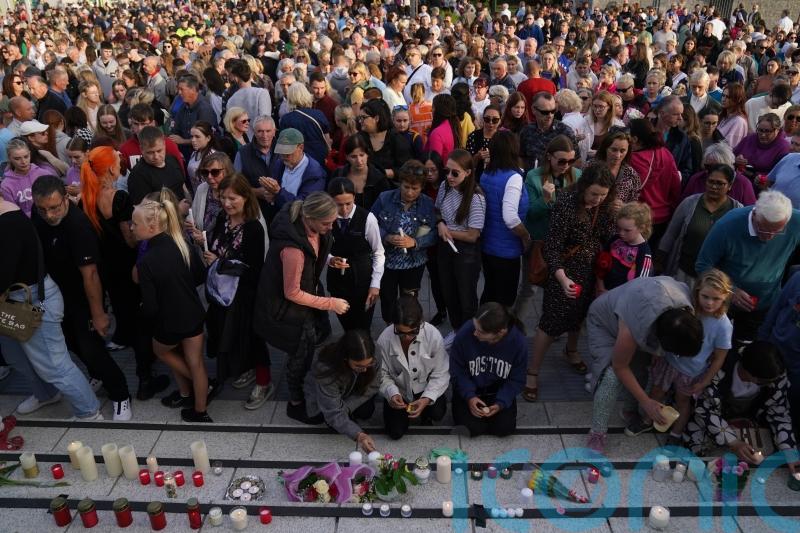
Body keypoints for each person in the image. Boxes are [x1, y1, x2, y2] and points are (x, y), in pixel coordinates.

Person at [31, 175, 133, 420]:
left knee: (92, 348)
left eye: (55, 208)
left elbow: (91, 275)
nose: (50, 215)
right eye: (43, 209)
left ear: (66, 199)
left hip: (82, 297)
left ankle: (120, 394)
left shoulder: (78, 226)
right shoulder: (39, 215)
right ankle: (96, 374)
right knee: (71, 344)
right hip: (57, 295)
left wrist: (98, 314)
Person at [0, 195, 102, 421]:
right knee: (17, 357)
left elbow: (4, 273)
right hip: (10, 301)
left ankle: (88, 413)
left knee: (53, 364)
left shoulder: (8, 222)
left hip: (32, 300)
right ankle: (46, 394)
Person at [80, 145, 170, 400]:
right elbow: (130, 238)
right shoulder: (117, 197)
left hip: (105, 270)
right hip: (129, 266)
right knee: (142, 321)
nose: (121, 165)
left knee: (125, 316)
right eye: (118, 162)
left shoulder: (83, 198)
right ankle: (145, 378)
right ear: (110, 168)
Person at [253, 192, 349, 424]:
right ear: (310, 217)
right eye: (327, 223)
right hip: (289, 310)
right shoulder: (292, 250)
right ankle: (296, 402)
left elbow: (312, 254)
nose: (331, 227)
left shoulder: (306, 227)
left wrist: (328, 260)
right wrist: (331, 304)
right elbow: (292, 293)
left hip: (304, 299)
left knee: (310, 345)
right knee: (299, 354)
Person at [524, 163, 616, 402]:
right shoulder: (566, 203)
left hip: (590, 271)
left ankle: (572, 350)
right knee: (551, 322)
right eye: (594, 193)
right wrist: (562, 278)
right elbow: (552, 248)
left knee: (579, 316)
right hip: (563, 273)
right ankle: (532, 371)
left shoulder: (605, 206)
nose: (598, 199)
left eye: (603, 195)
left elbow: (605, 236)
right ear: (584, 186)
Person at [586, 276, 704, 453]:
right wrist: (647, 402)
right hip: (605, 323)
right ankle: (597, 432)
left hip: (641, 314)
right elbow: (620, 367)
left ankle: (629, 411)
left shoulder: (686, 307)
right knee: (611, 377)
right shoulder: (634, 324)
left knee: (640, 369)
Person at [132, 189, 212, 423]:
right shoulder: (181, 244)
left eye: (135, 224)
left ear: (152, 227)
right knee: (197, 364)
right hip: (194, 313)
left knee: (161, 351)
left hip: (170, 322)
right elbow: (199, 275)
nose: (132, 228)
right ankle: (200, 410)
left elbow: (151, 306)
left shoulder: (147, 261)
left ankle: (198, 389)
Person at [627, 269, 733, 446]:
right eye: (705, 296)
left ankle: (676, 434)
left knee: (682, 402)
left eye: (716, 299)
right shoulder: (689, 308)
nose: (709, 303)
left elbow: (719, 358)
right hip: (669, 362)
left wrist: (705, 381)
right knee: (656, 392)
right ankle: (647, 420)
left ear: (725, 298)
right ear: (698, 290)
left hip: (691, 372)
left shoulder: (723, 326)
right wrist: (658, 353)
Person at [201, 174, 271, 409]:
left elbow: (254, 269)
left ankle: (264, 381)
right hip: (222, 295)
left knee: (253, 338)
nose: (227, 203)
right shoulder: (223, 218)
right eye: (223, 198)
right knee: (228, 336)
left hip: (245, 296)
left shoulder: (253, 228)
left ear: (245, 197)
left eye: (233, 198)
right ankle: (245, 369)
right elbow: (215, 247)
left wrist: (219, 262)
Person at [696, 190, 800, 347]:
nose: (769, 237)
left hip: (764, 303)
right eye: (764, 229)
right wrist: (731, 291)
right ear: (754, 215)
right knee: (711, 342)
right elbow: (703, 265)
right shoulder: (727, 226)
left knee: (743, 346)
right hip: (722, 302)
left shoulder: (796, 221)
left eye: (777, 231)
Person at [685, 340, 798, 475]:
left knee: (764, 453)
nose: (771, 384)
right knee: (697, 442)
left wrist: (790, 451)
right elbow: (705, 410)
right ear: (748, 372)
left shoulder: (776, 376)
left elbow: (779, 415)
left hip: (748, 420)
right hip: (716, 418)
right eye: (764, 381)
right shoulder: (719, 368)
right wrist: (734, 442)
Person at [370, 160, 436, 323]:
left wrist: (414, 242)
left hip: (414, 263)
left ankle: (408, 326)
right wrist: (386, 236)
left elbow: (434, 233)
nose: (410, 192)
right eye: (406, 187)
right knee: (387, 299)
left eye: (415, 189)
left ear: (421, 187)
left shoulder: (427, 203)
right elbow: (370, 224)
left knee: (410, 300)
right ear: (400, 183)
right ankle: (390, 328)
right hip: (387, 262)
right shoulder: (384, 198)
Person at [449, 302, 527, 437]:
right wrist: (470, 397)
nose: (474, 333)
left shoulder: (518, 342)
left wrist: (501, 403)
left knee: (504, 429)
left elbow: (517, 379)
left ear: (501, 332)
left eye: (481, 331)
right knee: (471, 429)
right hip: (469, 387)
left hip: (498, 391)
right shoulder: (465, 334)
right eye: (475, 326)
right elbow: (457, 370)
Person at [377, 295, 449, 439]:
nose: (407, 337)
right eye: (401, 333)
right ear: (394, 325)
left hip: (424, 387)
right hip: (400, 391)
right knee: (395, 433)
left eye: (413, 332)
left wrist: (427, 398)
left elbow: (441, 373)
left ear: (421, 322)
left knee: (437, 412)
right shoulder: (384, 340)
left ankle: (426, 416)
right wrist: (392, 393)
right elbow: (382, 375)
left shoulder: (433, 336)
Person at [659, 164, 743, 287]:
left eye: (720, 183)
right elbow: (671, 234)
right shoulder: (689, 203)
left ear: (730, 186)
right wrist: (660, 259)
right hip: (684, 273)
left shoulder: (737, 211)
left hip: (717, 281)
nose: (714, 187)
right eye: (711, 182)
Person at [436, 149, 486, 337]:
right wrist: (440, 222)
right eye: (447, 171)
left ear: (468, 173)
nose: (449, 176)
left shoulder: (476, 197)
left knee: (466, 297)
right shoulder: (445, 186)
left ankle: (468, 334)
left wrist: (448, 231)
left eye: (455, 173)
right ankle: (457, 330)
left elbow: (473, 235)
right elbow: (437, 210)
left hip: (466, 253)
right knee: (449, 293)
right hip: (445, 248)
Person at [304, 330, 379, 453]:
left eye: (369, 364)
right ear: (345, 359)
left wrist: (346, 407)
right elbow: (333, 413)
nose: (365, 370)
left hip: (351, 390)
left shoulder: (376, 351)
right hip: (326, 396)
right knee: (333, 422)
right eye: (359, 366)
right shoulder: (325, 368)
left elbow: (374, 386)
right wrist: (359, 435)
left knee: (366, 411)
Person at [326, 177, 385, 331]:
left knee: (363, 326)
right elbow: (318, 249)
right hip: (337, 282)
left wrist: (375, 285)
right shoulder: (325, 218)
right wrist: (330, 260)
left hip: (363, 282)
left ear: (354, 198)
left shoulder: (368, 218)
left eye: (348, 204)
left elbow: (378, 252)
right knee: (347, 326)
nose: (344, 210)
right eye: (338, 205)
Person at [480, 130, 530, 308]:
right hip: (507, 250)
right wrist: (525, 237)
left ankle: (481, 329)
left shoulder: (487, 174)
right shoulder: (513, 178)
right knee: (503, 299)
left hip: (488, 247)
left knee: (490, 292)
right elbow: (510, 217)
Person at [628, 119, 681, 247]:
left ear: (635, 139)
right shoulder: (665, 153)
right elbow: (676, 185)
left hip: (638, 215)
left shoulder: (633, 159)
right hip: (662, 216)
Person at [258, 128, 326, 223]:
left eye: (288, 152)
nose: (284, 156)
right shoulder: (280, 163)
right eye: (281, 152)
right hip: (279, 220)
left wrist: (278, 192)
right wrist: (270, 195)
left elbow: (304, 205)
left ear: (301, 147)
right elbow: (274, 194)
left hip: (300, 224)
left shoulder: (315, 173)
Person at [596, 202, 653, 294]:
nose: (621, 233)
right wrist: (600, 287)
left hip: (620, 298)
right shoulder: (615, 239)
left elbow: (641, 284)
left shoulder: (644, 252)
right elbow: (601, 263)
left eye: (627, 230)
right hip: (601, 290)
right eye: (619, 228)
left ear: (641, 228)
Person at [127, 126, 188, 205]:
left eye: (159, 151)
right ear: (141, 149)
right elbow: (143, 211)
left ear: (164, 145)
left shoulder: (172, 160)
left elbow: (182, 185)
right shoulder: (138, 175)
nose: (156, 156)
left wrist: (190, 202)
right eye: (150, 152)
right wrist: (178, 210)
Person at [680, 143, 756, 205]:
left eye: (717, 167)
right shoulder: (696, 179)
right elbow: (683, 206)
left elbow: (750, 212)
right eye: (708, 166)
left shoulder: (743, 184)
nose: (712, 171)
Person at [357, 98, 413, 183]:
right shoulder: (360, 138)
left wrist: (384, 173)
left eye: (363, 117)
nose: (360, 121)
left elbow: (407, 169)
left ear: (376, 118)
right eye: (359, 118)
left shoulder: (396, 139)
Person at [519, 91, 578, 171]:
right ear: (533, 110)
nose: (550, 115)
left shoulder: (565, 132)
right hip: (531, 180)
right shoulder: (526, 131)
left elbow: (577, 160)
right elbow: (520, 157)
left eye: (553, 111)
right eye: (545, 112)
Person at [329, 134, 390, 211]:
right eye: (353, 156)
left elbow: (385, 206)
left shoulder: (379, 178)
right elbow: (330, 201)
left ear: (367, 155)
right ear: (347, 157)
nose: (359, 161)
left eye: (362, 155)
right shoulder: (338, 175)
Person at [279, 82, 331, 168]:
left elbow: (285, 147)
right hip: (320, 158)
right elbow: (327, 140)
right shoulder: (319, 114)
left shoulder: (286, 119)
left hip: (298, 161)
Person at [733, 113, 790, 178]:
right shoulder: (750, 138)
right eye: (760, 130)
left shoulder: (783, 147)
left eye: (767, 131)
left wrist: (754, 175)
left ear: (777, 130)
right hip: (739, 177)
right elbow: (733, 156)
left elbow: (778, 174)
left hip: (761, 184)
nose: (763, 135)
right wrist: (736, 160)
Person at [466, 104, 502, 180]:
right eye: (487, 119)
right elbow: (467, 165)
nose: (491, 123)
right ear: (483, 119)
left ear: (500, 120)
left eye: (495, 120)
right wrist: (477, 157)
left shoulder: (503, 138)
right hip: (478, 178)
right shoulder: (473, 136)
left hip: (497, 178)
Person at [717, 82, 749, 149]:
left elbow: (730, 147)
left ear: (738, 99)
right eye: (723, 95)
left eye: (728, 97)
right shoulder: (724, 115)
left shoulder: (739, 121)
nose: (724, 99)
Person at [187, 121, 216, 191]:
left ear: (208, 138)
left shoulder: (213, 157)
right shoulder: (194, 153)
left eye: (197, 137)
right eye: (192, 136)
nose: (193, 140)